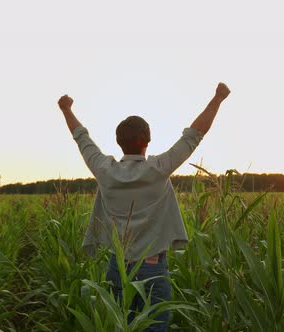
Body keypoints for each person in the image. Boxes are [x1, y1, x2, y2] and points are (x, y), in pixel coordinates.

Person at [57, 82, 230, 331]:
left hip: (118, 267)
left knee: (121, 326)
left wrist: (66, 109)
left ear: (119, 142)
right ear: (147, 140)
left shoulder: (104, 171)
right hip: (153, 267)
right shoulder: (158, 169)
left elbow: (81, 139)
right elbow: (194, 135)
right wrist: (218, 98)